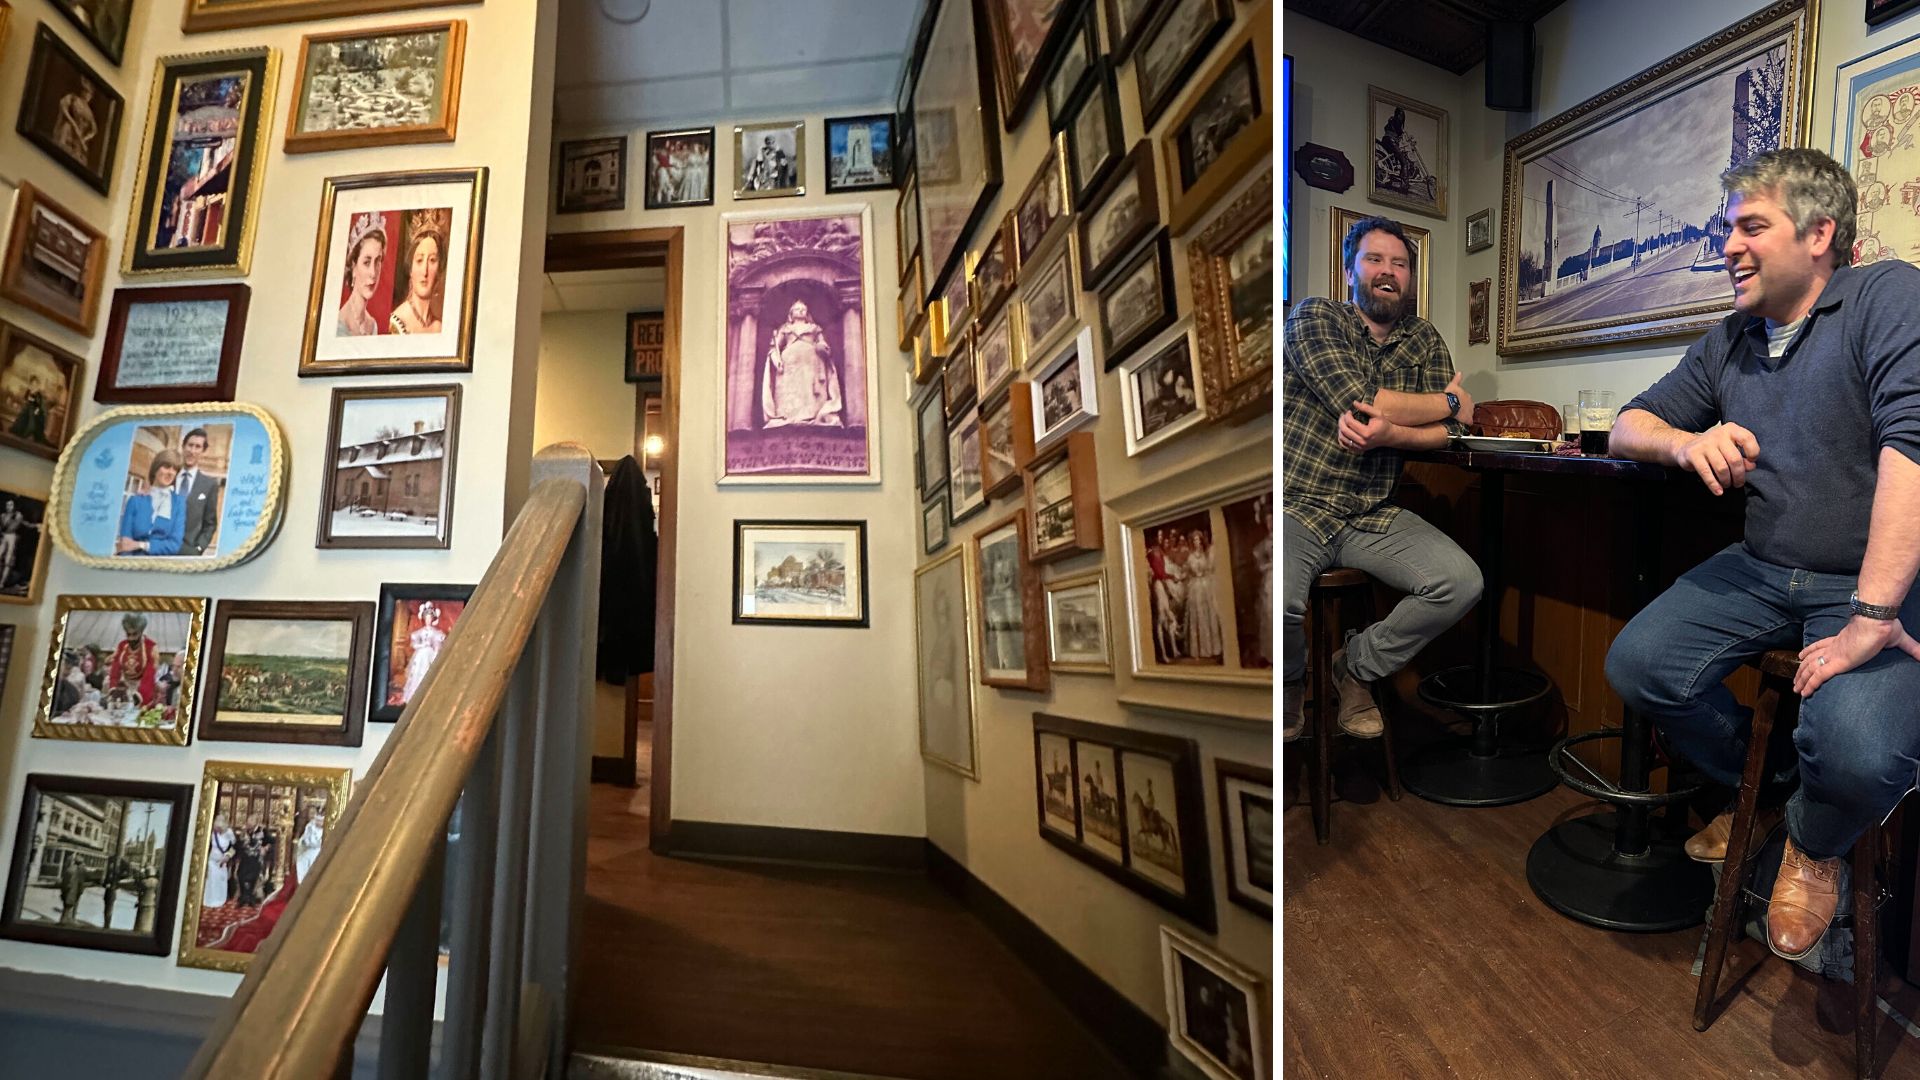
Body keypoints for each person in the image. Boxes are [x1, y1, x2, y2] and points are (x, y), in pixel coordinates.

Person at [1604, 148, 1920, 963]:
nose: (1729, 246)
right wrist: (1686, 442)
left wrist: (1874, 614)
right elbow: (1626, 425)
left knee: (1858, 752)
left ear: (1820, 233)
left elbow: (1915, 446)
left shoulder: (1885, 294)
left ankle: (1811, 842)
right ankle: (1779, 782)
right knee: (1641, 664)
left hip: (1868, 580)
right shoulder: (1732, 339)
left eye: (1750, 226)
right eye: (1726, 229)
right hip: (1760, 566)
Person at [1281, 214, 1483, 742]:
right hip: (1297, 503)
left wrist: (1393, 431)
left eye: (1398, 263)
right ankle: (1289, 686)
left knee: (1460, 584)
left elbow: (1457, 434)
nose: (1387, 271)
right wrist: (1445, 402)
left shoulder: (1423, 339)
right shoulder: (1314, 317)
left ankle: (1353, 668)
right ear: (1349, 271)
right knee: (1276, 597)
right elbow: (1365, 400)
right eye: (1374, 259)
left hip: (1372, 512)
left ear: (1409, 278)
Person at [761, 300, 843, 427]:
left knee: (809, 388)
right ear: (791, 314)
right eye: (797, 309)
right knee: (789, 389)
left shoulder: (814, 328)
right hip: (789, 363)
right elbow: (774, 347)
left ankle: (812, 416)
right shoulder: (785, 328)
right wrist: (776, 360)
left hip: (812, 360)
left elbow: (823, 344)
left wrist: (822, 347)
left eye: (803, 309)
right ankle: (788, 416)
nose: (800, 311)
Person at [116, 449, 185, 556]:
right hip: (133, 566)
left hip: (162, 567)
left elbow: (174, 545)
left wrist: (141, 545)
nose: (170, 473)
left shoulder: (178, 503)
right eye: (166, 467)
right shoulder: (135, 501)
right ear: (156, 468)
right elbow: (125, 545)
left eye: (175, 469)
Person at [389, 211, 447, 334]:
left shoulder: (440, 328)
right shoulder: (396, 324)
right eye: (419, 260)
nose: (425, 271)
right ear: (411, 269)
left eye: (432, 260)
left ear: (439, 269)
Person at [337, 213, 386, 337]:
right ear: (353, 267)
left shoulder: (372, 324)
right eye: (366, 262)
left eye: (377, 261)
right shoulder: (340, 324)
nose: (373, 273)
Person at [175, 428, 222, 557]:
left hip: (188, 553)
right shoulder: (169, 476)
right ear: (183, 446)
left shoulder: (209, 485)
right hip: (159, 551)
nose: (192, 451)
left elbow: (210, 524)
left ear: (203, 451)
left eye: (198, 447)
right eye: (190, 445)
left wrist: (199, 548)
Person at [107, 611, 162, 708]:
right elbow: (115, 671)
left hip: (144, 689)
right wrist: (113, 688)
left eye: (134, 634)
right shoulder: (122, 645)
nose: (131, 638)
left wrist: (138, 696)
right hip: (124, 689)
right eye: (128, 634)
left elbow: (149, 676)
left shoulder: (151, 647)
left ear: (141, 632)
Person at [400, 600, 448, 702]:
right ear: (424, 619)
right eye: (426, 618)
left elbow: (438, 646)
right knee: (418, 672)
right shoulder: (419, 632)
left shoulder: (437, 633)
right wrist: (422, 645)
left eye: (430, 618)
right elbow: (414, 644)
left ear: (433, 619)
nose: (428, 620)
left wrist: (435, 653)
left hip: (430, 655)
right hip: (421, 654)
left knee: (429, 671)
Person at [54, 81, 98, 162]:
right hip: (69, 130)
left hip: (79, 137)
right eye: (86, 91)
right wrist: (73, 123)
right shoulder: (74, 98)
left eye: (89, 94)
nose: (87, 95)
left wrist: (84, 139)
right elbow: (63, 105)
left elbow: (94, 130)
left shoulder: (89, 111)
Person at [0, 497, 35, 591]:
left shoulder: (18, 515)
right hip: (4, 537)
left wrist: (35, 526)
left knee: (8, 560)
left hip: (12, 537)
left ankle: (2, 583)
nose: (10, 507)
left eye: (11, 505)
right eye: (8, 505)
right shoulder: (3, 516)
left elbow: (24, 524)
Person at [294, 812, 324, 884]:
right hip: (309, 850)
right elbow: (307, 840)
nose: (319, 823)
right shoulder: (310, 827)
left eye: (321, 821)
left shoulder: (325, 829)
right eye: (318, 820)